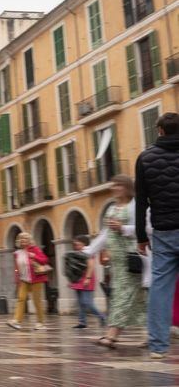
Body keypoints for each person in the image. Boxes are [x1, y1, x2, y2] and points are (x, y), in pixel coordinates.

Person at [135, 112, 179, 359]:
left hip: (163, 231)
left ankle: (158, 346)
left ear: (160, 131)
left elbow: (141, 201)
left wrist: (141, 237)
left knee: (160, 288)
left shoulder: (145, 158)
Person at [85, 175, 145, 349]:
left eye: (118, 185)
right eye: (113, 185)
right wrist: (89, 250)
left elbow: (144, 229)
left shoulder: (134, 207)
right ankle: (153, 334)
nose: (114, 188)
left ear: (126, 187)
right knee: (137, 299)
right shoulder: (112, 207)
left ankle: (112, 336)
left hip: (132, 258)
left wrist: (122, 228)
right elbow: (105, 234)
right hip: (117, 262)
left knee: (124, 297)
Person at [7, 232, 49, 331]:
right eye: (21, 239)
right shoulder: (17, 253)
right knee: (21, 298)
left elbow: (45, 260)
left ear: (29, 240)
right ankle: (17, 321)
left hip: (36, 279)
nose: (23, 240)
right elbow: (17, 267)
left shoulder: (35, 249)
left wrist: (34, 256)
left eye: (25, 239)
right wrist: (17, 279)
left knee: (36, 301)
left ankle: (40, 323)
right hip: (24, 280)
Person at [69, 235, 106, 329]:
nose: (76, 246)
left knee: (87, 302)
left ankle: (103, 317)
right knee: (81, 302)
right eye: (75, 244)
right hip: (78, 279)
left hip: (86, 279)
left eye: (78, 244)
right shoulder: (78, 252)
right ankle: (82, 322)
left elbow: (91, 266)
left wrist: (88, 278)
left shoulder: (88, 252)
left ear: (83, 243)